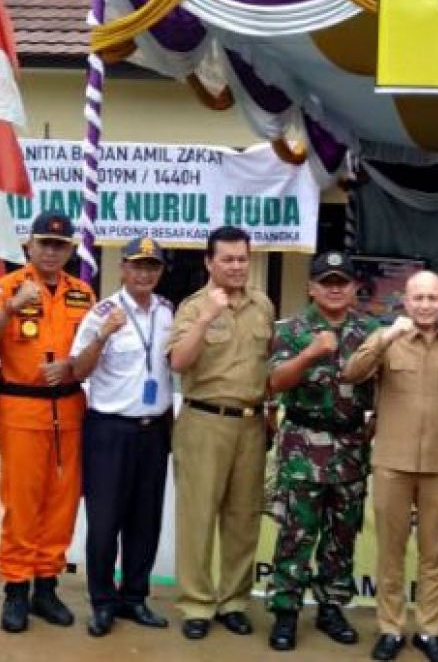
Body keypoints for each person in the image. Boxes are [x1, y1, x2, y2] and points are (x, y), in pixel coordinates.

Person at [342, 270, 438, 662]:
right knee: (391, 550)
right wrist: (385, 338)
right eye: (417, 297)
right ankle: (390, 628)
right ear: (405, 300)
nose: (424, 304)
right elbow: (352, 372)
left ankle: (430, 631)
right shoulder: (388, 338)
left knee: (434, 552)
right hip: (392, 461)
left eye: (432, 298)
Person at [0, 212, 95, 633]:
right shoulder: (5, 288)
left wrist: (74, 365)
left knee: (61, 505)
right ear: (29, 246)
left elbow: (91, 352)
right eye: (44, 243)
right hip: (22, 410)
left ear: (70, 250)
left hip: (70, 410)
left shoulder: (83, 293)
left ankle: (46, 586)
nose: (51, 251)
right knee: (22, 503)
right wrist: (10, 309)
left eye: (60, 245)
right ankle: (16, 589)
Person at [265, 251, 380, 652]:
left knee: (341, 535)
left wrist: (378, 420)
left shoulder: (371, 332)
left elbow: (387, 387)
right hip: (303, 447)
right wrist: (311, 353)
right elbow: (276, 382)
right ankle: (285, 611)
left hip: (350, 448)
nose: (334, 288)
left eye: (342, 282)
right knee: (296, 534)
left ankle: (332, 607)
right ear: (311, 287)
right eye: (326, 281)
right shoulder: (291, 329)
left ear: (353, 288)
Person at [166, 225, 274, 640]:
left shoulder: (262, 305)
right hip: (203, 421)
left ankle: (233, 601)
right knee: (197, 517)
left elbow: (266, 362)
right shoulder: (193, 307)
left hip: (251, 423)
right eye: (227, 259)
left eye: (242, 258)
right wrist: (208, 316)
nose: (236, 266)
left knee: (243, 518)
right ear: (209, 262)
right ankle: (196, 603)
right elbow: (178, 361)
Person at [69, 236, 174, 638]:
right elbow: (78, 371)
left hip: (152, 431)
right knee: (104, 521)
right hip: (110, 430)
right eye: (137, 266)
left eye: (152, 267)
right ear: (123, 269)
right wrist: (102, 336)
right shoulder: (102, 312)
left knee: (144, 520)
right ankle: (102, 602)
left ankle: (135, 596)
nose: (145, 273)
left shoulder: (167, 312)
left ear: (160, 272)